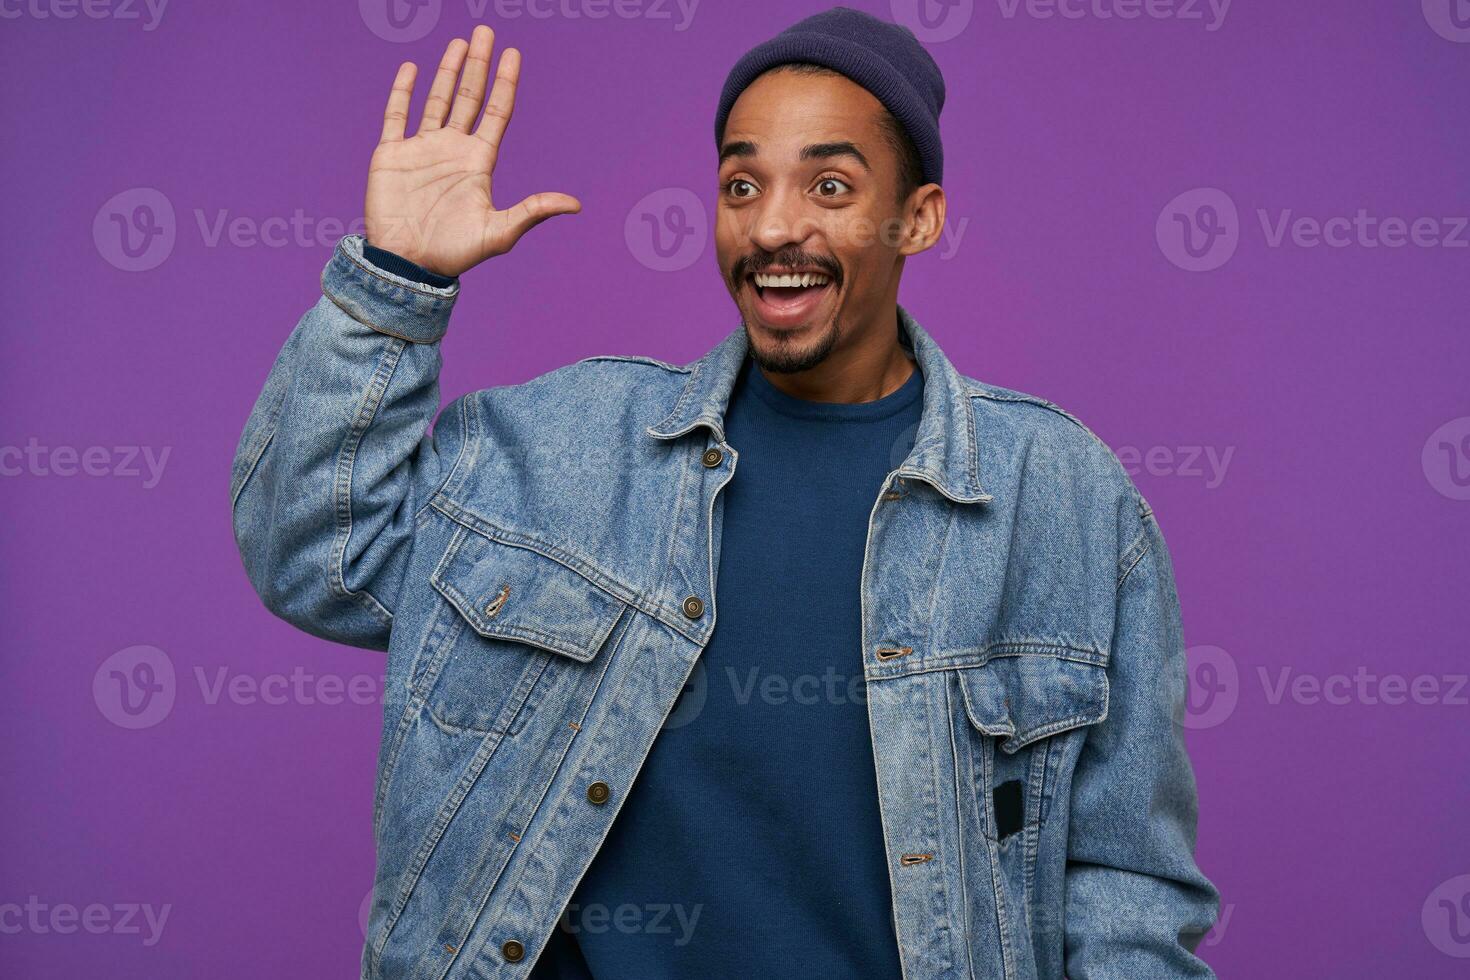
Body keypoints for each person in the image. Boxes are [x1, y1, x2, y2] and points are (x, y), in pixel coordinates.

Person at [230, 7, 1220, 979]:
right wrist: (393, 283)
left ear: (917, 218)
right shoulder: (562, 449)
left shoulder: (1061, 499)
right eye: (742, 183)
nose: (775, 226)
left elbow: (1128, 885)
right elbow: (320, 556)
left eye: (829, 185)